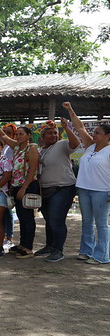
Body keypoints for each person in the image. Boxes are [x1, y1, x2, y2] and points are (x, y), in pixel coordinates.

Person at [65, 102, 110, 264]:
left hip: (102, 191)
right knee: (87, 222)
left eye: (97, 133)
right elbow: (80, 127)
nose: (94, 134)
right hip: (84, 189)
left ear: (107, 136)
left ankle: (102, 255)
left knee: (101, 224)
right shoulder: (90, 146)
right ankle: (86, 250)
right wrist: (70, 109)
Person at [0, 111, 39, 258]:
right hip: (17, 186)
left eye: (21, 134)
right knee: (22, 216)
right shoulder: (17, 147)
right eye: (17, 134)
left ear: (28, 135)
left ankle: (28, 247)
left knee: (27, 217)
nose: (17, 136)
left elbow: (33, 170)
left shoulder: (32, 149)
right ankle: (22, 244)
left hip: (27, 186)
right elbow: (2, 135)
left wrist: (24, 188)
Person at [34, 116, 80, 263]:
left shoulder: (62, 145)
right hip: (46, 190)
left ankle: (58, 250)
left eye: (55, 133)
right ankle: (49, 246)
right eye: (50, 133)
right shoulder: (41, 150)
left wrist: (67, 128)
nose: (54, 135)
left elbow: (75, 143)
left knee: (56, 219)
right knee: (49, 219)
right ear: (43, 136)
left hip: (63, 188)